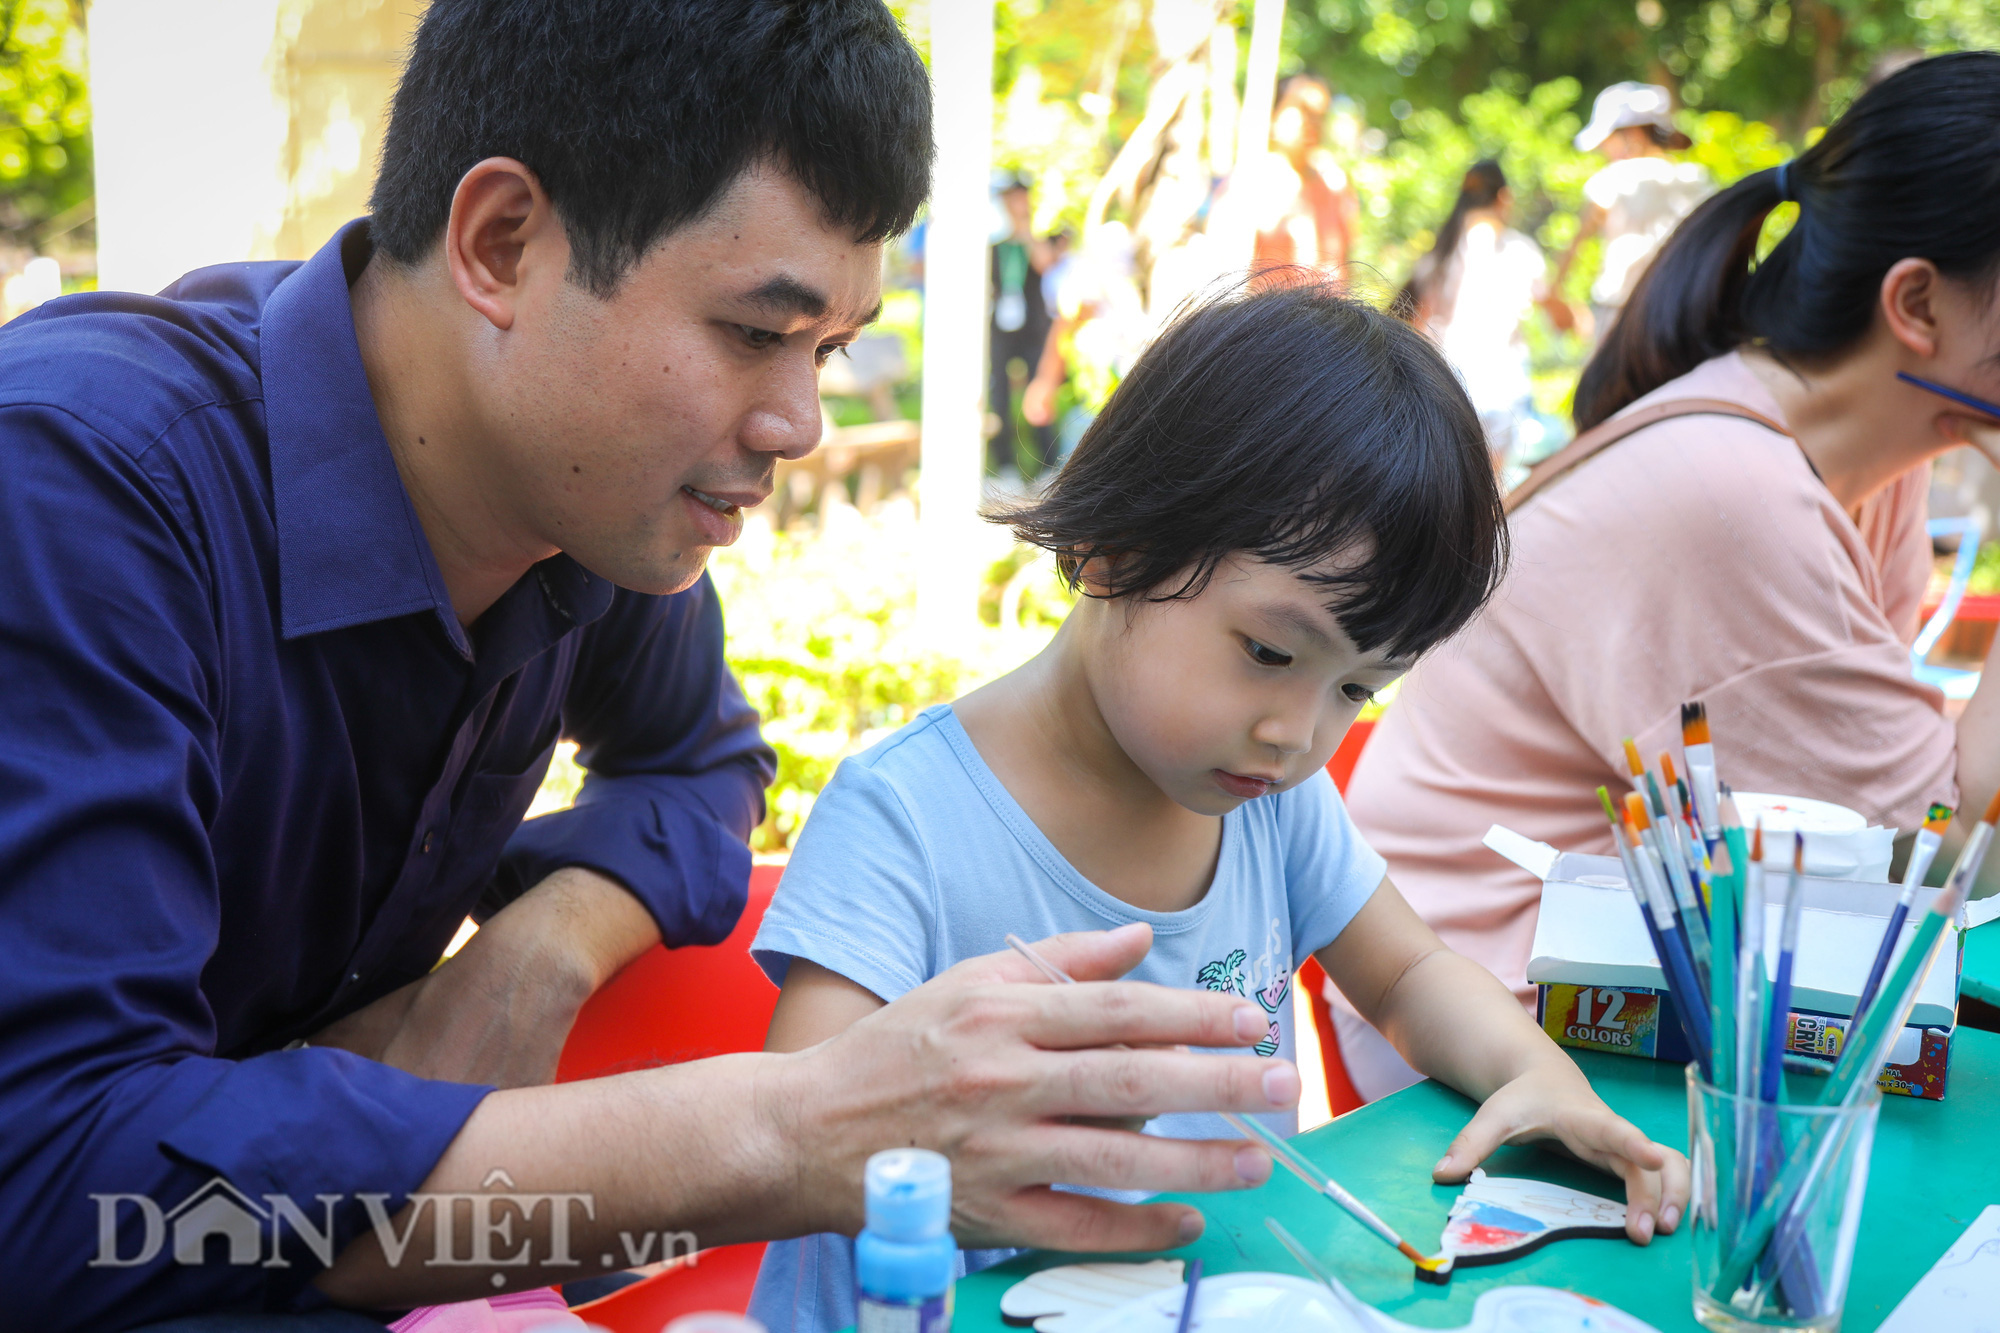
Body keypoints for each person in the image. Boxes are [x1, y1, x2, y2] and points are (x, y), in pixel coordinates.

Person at [2, 5, 1312, 1328]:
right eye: (756, 331)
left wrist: (547, 942)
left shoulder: (588, 508)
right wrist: (792, 1133)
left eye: (831, 349)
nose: (798, 422)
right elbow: (57, 1189)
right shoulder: (77, 491)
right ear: (501, 243)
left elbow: (700, 760)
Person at [745, 277, 1690, 1333]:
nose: (1297, 732)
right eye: (1268, 653)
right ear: (1114, 550)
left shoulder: (1263, 802)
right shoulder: (902, 821)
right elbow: (799, 1132)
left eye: (1354, 689)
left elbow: (1410, 974)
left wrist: (1535, 1074)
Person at [1338, 51, 2000, 1100]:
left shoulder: (1863, 465)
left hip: (1641, 969)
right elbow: (1942, 848)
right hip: (1492, 1026)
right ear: (1915, 302)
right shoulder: (1733, 494)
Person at [1397, 160, 1561, 470]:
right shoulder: (1519, 251)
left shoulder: (1441, 251)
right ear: (1504, 198)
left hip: (1446, 383)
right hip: (1500, 388)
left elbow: (1413, 322)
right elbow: (1560, 317)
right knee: (1492, 490)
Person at [1553, 81, 1710, 342]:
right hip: (1683, 315)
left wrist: (1555, 293)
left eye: (1607, 140)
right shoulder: (1697, 180)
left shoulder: (1613, 178)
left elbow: (1575, 247)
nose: (1604, 150)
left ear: (1633, 134)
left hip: (1620, 315)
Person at [1235, 74, 1359, 282]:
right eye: (1303, 110)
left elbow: (1347, 261)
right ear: (1274, 116)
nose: (1312, 123)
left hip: (1327, 311)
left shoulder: (1334, 183)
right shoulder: (1250, 181)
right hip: (1271, 313)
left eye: (1320, 115)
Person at [988, 171, 1057, 484]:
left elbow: (1046, 263)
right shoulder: (994, 246)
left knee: (1039, 392)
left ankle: (1048, 468)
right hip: (1000, 329)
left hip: (1033, 330)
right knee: (998, 395)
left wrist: (1025, 228)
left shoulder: (1036, 241)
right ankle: (1003, 466)